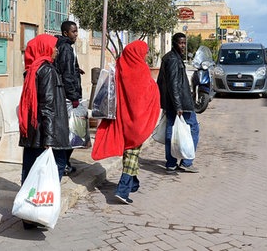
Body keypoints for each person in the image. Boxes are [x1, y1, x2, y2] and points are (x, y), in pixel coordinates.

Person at [91, 40, 160, 204]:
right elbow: (148, 91)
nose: (146, 55)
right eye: (145, 52)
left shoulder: (119, 67)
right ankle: (122, 189)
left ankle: (133, 183)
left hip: (123, 119)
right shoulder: (142, 69)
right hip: (139, 120)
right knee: (132, 154)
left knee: (129, 152)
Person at [18, 34, 71, 229]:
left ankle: (29, 215)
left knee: (31, 171)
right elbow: (47, 106)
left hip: (33, 132)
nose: (56, 50)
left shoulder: (32, 69)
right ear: (44, 48)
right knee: (55, 166)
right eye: (54, 47)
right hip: (48, 132)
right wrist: (49, 139)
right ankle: (40, 212)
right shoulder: (47, 70)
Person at [156, 32, 200, 174]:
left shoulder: (171, 58)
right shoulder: (173, 59)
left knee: (172, 130)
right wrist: (178, 106)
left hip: (173, 102)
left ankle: (171, 163)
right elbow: (173, 84)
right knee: (192, 128)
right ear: (174, 43)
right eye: (180, 43)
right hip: (180, 103)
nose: (183, 46)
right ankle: (186, 162)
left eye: (184, 43)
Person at [54, 21, 85, 175]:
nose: (76, 34)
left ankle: (64, 162)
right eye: (73, 32)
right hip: (68, 97)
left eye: (77, 31)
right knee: (74, 132)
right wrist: (73, 97)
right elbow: (66, 74)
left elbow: (65, 68)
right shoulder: (65, 48)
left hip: (66, 94)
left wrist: (77, 69)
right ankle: (63, 163)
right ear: (66, 33)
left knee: (71, 132)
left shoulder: (64, 47)